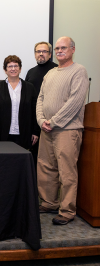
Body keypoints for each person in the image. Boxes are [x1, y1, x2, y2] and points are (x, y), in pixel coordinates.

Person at [36, 36, 89, 225]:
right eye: (57, 48)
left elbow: (75, 102)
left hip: (67, 130)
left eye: (63, 48)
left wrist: (54, 121)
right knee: (45, 167)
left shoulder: (79, 71)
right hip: (47, 129)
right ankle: (49, 202)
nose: (59, 51)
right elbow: (40, 98)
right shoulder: (50, 73)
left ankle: (67, 211)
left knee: (67, 172)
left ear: (73, 49)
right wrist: (42, 120)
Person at [0, 55, 39, 149]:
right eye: (10, 66)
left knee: (20, 161)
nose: (13, 69)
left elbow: (35, 110)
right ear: (5, 70)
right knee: (2, 160)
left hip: (24, 133)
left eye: (16, 66)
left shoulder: (30, 87)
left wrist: (35, 131)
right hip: (1, 133)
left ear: (20, 69)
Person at [25, 42, 58, 172]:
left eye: (44, 51)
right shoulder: (31, 72)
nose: (41, 54)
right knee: (34, 155)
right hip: (34, 120)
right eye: (38, 51)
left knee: (50, 160)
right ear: (35, 54)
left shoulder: (56, 70)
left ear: (50, 54)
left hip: (51, 120)